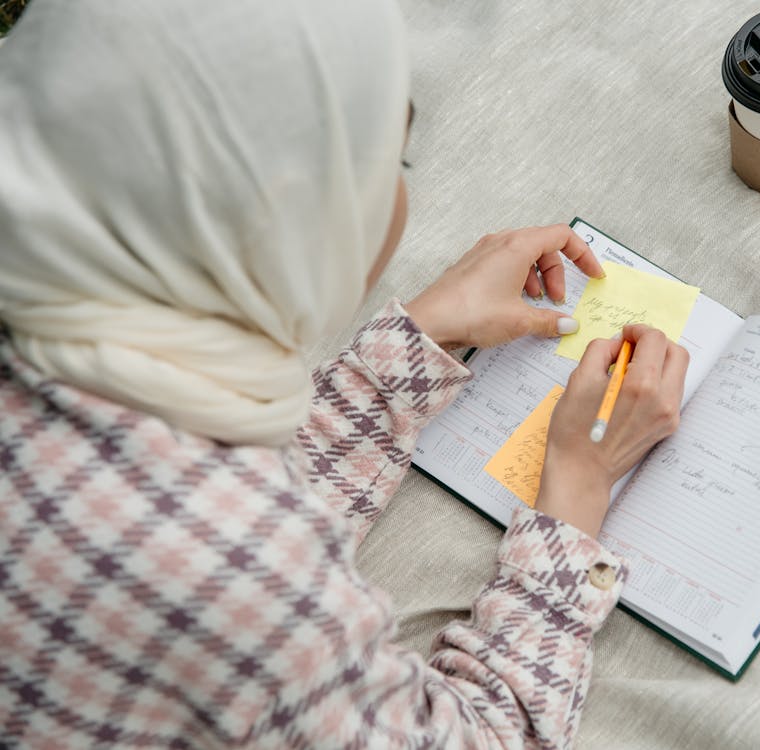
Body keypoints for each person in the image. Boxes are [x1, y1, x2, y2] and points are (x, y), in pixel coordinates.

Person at [0, 0, 689, 747]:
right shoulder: (239, 580)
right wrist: (577, 492)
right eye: (389, 165)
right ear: (286, 221)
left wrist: (405, 353)